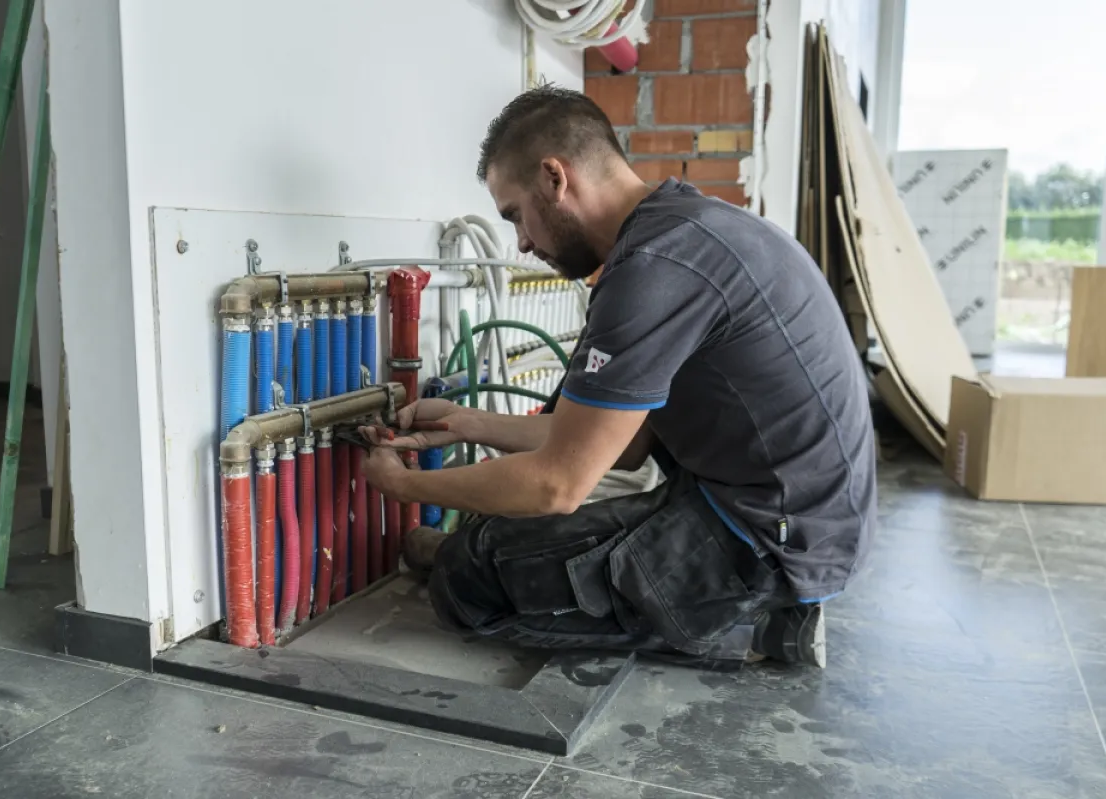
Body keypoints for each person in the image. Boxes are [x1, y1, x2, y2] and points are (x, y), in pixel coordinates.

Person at [361, 86, 876, 669]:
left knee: (465, 578)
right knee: (490, 537)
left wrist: (406, 488)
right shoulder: (683, 231)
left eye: (515, 215)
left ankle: (754, 624)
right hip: (789, 513)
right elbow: (622, 445)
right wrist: (464, 423)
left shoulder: (654, 270)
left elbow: (558, 484)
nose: (523, 243)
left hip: (767, 541)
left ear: (555, 177)